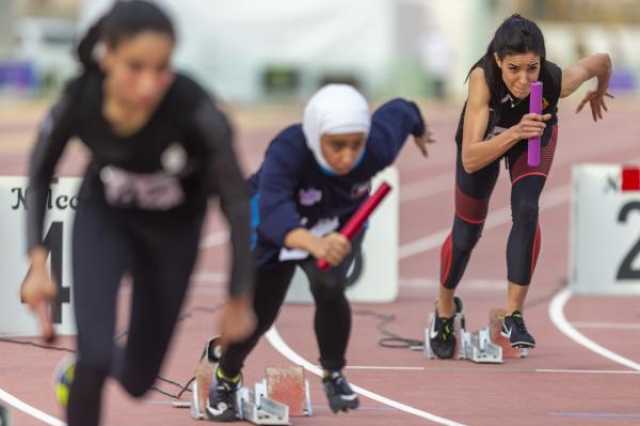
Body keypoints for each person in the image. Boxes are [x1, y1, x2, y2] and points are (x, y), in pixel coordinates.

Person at [18, 2, 255, 425]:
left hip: (173, 235)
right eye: (135, 67)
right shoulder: (81, 99)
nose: (149, 85)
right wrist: (37, 260)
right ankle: (85, 372)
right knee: (94, 355)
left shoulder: (194, 109)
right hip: (104, 218)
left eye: (161, 68)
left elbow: (236, 200)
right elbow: (40, 174)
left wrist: (239, 296)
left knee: (138, 381)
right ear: (107, 56)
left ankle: (87, 369)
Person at [196, 84, 434, 420]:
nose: (348, 157)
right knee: (260, 312)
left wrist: (421, 130)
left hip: (335, 222)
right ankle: (227, 377)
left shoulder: (377, 146)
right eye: (337, 146)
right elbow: (274, 211)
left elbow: (404, 109)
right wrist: (313, 243)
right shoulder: (289, 149)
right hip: (273, 223)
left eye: (356, 145)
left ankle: (334, 374)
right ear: (315, 135)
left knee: (329, 285)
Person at [428, 14, 612, 358]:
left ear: (541, 62)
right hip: (485, 143)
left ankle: (514, 314)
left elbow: (601, 61)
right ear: (498, 60)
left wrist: (599, 91)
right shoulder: (483, 79)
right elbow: (470, 158)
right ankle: (444, 308)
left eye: (532, 68)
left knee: (527, 210)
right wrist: (515, 131)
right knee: (466, 233)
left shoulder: (555, 79)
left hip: (533, 138)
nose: (525, 80)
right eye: (514, 69)